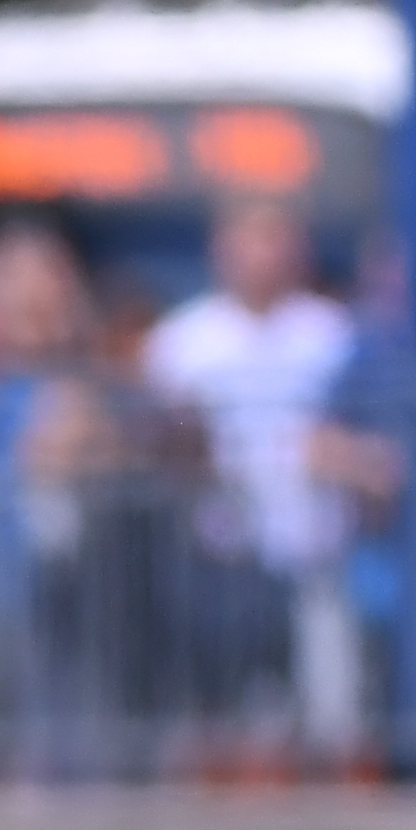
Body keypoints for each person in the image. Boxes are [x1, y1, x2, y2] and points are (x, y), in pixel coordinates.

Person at [137, 197, 360, 759]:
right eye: (250, 237)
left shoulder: (332, 333)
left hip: (314, 546)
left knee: (325, 711)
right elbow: (156, 440)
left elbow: (361, 430)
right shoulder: (181, 340)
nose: (262, 255)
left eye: (275, 237)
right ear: (222, 247)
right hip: (217, 551)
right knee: (227, 716)